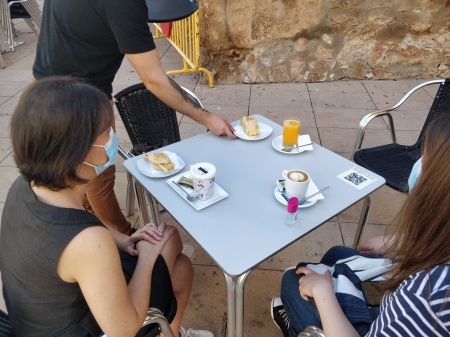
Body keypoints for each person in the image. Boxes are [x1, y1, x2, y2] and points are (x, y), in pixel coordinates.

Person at [0, 77, 213, 337]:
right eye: (107, 130)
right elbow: (124, 330)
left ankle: (174, 333)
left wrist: (123, 240)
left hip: (41, 314)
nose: (113, 136)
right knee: (170, 239)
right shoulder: (88, 242)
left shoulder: (27, 186)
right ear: (79, 152)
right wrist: (146, 258)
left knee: (180, 268)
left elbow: (79, 217)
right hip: (87, 327)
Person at [32, 0, 237, 235]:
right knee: (99, 178)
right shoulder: (124, 4)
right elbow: (155, 80)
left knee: (74, 176)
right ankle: (123, 239)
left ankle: (90, 223)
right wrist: (207, 117)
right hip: (78, 103)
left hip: (42, 88)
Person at [271, 114, 450, 337]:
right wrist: (400, 243)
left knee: (292, 279)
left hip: (371, 325)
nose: (417, 166)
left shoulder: (426, 294)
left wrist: (323, 293)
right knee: (336, 254)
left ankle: (297, 326)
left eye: (425, 160)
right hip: (393, 308)